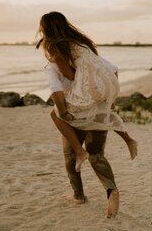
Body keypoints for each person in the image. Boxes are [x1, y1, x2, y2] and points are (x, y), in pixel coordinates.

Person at [36, 11, 137, 219]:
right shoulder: (83, 47)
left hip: (76, 108)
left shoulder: (54, 58)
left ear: (45, 30)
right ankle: (111, 190)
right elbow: (113, 70)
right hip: (98, 105)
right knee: (97, 154)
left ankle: (79, 195)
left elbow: (59, 89)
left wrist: (63, 111)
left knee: (70, 154)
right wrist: (109, 97)